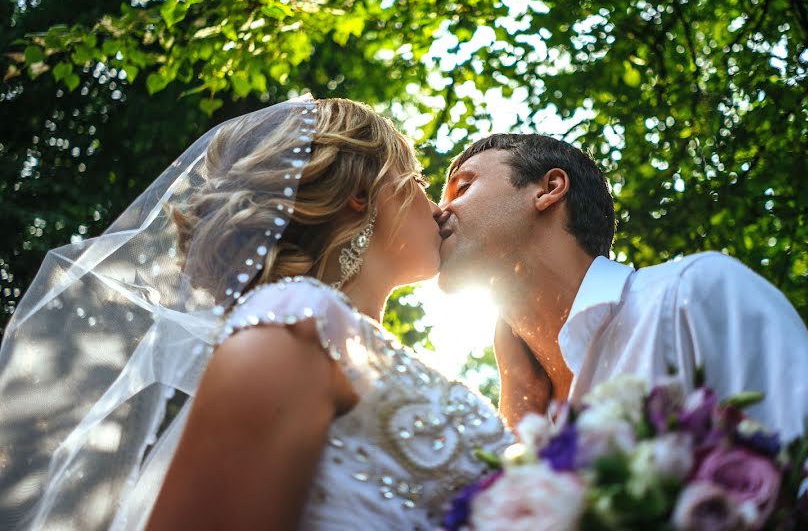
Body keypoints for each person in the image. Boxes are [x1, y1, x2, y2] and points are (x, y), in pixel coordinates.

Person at [0, 96, 510, 531]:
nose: (439, 207)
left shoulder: (332, 338)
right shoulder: (295, 322)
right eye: (417, 179)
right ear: (362, 193)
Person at [436, 133, 808, 529]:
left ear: (549, 188)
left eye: (463, 186)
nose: (440, 212)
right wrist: (518, 417)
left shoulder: (693, 295)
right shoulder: (520, 407)